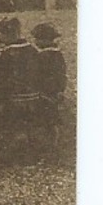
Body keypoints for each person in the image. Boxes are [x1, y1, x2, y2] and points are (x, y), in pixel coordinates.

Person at [0, 17, 42, 166]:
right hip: (33, 98)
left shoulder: (7, 55)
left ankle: (13, 161)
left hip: (14, 100)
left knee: (13, 130)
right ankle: (31, 160)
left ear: (6, 34)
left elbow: (1, 79)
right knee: (29, 130)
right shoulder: (33, 50)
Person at [31, 21, 67, 160]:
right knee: (52, 121)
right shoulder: (58, 54)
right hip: (55, 92)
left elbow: (37, 75)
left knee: (45, 122)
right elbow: (62, 75)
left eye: (37, 39)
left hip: (45, 93)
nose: (35, 42)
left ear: (44, 39)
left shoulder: (43, 56)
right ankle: (53, 147)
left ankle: (48, 149)